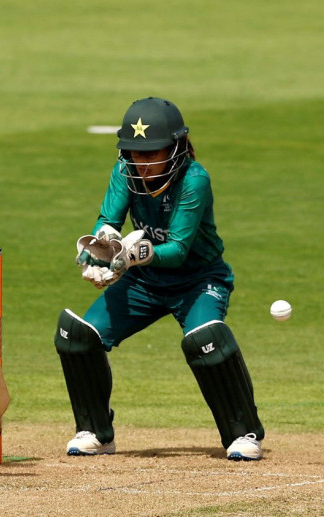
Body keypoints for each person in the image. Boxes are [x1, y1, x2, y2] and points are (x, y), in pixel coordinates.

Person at [54, 97, 265, 461]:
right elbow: (108, 221)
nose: (143, 162)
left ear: (177, 147)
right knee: (76, 336)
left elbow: (179, 249)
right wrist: (99, 251)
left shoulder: (194, 180)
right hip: (144, 282)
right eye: (135, 153)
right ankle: (97, 433)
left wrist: (132, 257)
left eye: (152, 153)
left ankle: (243, 433)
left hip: (198, 280)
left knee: (205, 340)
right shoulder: (124, 173)